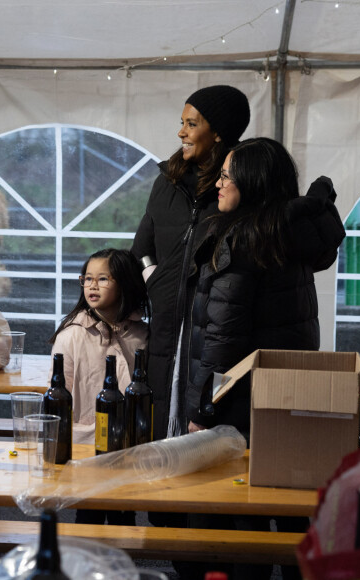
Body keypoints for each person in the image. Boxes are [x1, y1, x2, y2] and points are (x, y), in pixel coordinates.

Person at [183, 137, 345, 580]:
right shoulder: (287, 236)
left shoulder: (244, 237)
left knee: (235, 515)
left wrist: (202, 409)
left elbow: (223, 334)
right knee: (291, 509)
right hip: (286, 393)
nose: (218, 183)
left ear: (251, 182)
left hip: (237, 401)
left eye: (227, 175)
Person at [131, 84, 251, 442]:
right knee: (157, 430)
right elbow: (141, 246)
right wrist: (154, 276)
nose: (181, 132)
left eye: (192, 123)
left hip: (211, 333)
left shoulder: (235, 189)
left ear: (218, 133)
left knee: (201, 435)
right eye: (182, 122)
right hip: (165, 324)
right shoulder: (166, 181)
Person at [49, 248, 149, 526]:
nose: (93, 285)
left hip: (128, 440)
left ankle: (122, 567)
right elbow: (58, 392)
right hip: (86, 439)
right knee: (89, 512)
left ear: (125, 283)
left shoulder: (142, 334)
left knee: (123, 509)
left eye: (103, 279)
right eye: (88, 278)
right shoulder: (71, 334)